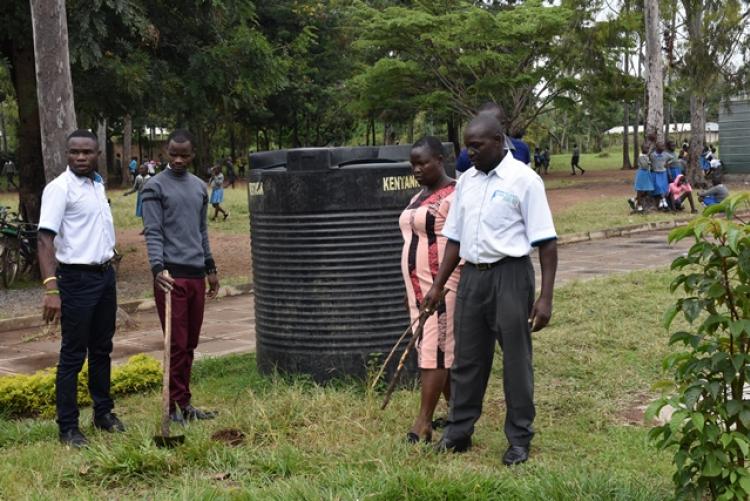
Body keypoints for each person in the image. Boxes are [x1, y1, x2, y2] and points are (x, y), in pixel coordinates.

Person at [424, 114, 558, 466]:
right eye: (467, 145)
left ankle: (519, 439)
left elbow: (546, 242)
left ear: (499, 140)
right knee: (467, 359)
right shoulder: (466, 181)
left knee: (515, 361)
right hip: (472, 278)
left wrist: (545, 297)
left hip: (510, 276)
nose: (470, 152)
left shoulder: (525, 180)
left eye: (477, 146)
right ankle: (458, 431)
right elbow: (454, 238)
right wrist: (438, 285)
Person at [37, 129, 124, 448]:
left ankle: (103, 413)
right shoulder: (59, 189)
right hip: (75, 280)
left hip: (104, 277)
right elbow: (45, 239)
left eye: (87, 152)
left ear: (97, 153)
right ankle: (68, 428)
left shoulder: (97, 185)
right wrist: (51, 289)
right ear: (67, 153)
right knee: (73, 354)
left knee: (102, 349)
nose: (81, 157)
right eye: (75, 152)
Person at [141, 129, 220, 423]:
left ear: (192, 155)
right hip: (170, 278)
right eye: (173, 153)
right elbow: (153, 231)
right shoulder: (153, 187)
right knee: (175, 343)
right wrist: (157, 268)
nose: (177, 159)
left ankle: (185, 403)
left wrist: (210, 268)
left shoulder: (200, 187)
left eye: (184, 155)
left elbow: (201, 231)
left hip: (196, 275)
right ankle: (172, 407)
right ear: (165, 151)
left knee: (190, 343)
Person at [399, 136, 460, 444]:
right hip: (418, 288)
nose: (417, 169)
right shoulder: (421, 194)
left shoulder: (455, 194)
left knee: (434, 352)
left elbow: (459, 241)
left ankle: (422, 423)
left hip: (442, 286)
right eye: (413, 164)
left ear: (440, 159)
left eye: (423, 162)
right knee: (437, 350)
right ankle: (457, 414)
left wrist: (438, 285)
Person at [122, 163, 151, 230]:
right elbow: (135, 188)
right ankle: (145, 228)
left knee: (148, 213)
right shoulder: (138, 178)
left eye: (142, 168)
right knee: (143, 213)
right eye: (140, 168)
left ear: (147, 170)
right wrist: (128, 193)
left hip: (148, 197)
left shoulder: (150, 178)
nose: (140, 170)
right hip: (140, 197)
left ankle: (148, 227)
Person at [629, 143, 653, 212]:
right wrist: (649, 163)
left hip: (646, 174)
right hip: (642, 174)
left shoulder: (645, 156)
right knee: (640, 190)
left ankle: (633, 199)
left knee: (646, 190)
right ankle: (639, 205)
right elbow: (645, 166)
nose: (647, 150)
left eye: (648, 148)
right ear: (642, 149)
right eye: (646, 148)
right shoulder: (641, 156)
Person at [650, 141, 670, 210]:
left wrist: (667, 163)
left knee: (663, 187)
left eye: (663, 146)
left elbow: (673, 158)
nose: (663, 148)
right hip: (656, 173)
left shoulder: (665, 154)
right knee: (658, 186)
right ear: (657, 147)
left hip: (663, 173)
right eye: (661, 146)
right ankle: (663, 200)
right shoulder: (652, 155)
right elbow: (649, 161)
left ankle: (662, 201)